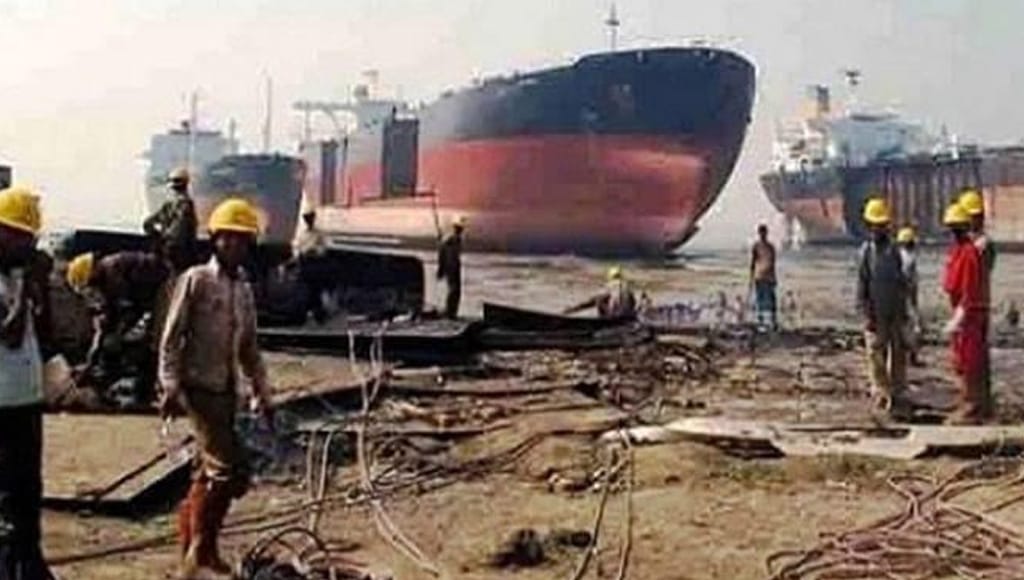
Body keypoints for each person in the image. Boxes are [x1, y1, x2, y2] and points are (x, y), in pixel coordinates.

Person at [159, 198, 273, 578]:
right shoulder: (195, 280)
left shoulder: (243, 290)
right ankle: (201, 551)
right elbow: (171, 338)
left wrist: (262, 392)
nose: (235, 246)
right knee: (228, 470)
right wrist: (170, 386)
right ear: (215, 239)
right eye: (229, 238)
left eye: (242, 239)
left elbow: (250, 349)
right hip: (197, 387)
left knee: (206, 472)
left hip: (226, 389)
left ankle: (194, 548)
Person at [0, 186, 54, 579]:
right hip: (2, 404)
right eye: (22, 237)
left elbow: (42, 334)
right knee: (6, 493)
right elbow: (11, 335)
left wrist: (39, 288)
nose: (28, 246)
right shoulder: (9, 282)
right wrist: (23, 284)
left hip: (25, 400)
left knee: (28, 490)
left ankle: (30, 563)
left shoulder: (17, 278)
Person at [66, 251, 170, 401]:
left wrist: (116, 335)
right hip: (148, 299)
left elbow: (125, 311)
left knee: (149, 343)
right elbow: (109, 317)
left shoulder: (112, 271)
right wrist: (92, 359)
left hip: (163, 289)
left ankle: (148, 390)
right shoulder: (108, 276)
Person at [856, 198, 910, 419]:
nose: (878, 229)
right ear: (869, 226)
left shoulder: (894, 251)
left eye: (882, 225)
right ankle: (881, 391)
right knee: (875, 355)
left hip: (893, 312)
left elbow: (901, 283)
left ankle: (896, 393)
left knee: (897, 355)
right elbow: (862, 284)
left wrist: (903, 312)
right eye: (875, 225)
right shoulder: (866, 252)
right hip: (875, 313)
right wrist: (867, 313)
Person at [941, 201, 990, 424]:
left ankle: (973, 407)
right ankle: (969, 403)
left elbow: (970, 289)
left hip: (970, 315)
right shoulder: (958, 251)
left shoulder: (970, 253)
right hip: (962, 311)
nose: (953, 232)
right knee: (961, 361)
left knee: (970, 362)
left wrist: (960, 316)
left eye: (956, 228)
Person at [959, 189, 995, 404]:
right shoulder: (977, 243)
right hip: (976, 304)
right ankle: (979, 398)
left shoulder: (980, 245)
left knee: (974, 355)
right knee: (974, 354)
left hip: (975, 306)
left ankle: (976, 400)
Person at [144, 167, 199, 273]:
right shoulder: (176, 204)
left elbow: (149, 224)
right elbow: (149, 223)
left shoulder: (177, 204)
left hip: (175, 252)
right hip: (177, 252)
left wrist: (160, 237)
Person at [292, 204, 329, 324]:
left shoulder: (319, 234)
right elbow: (297, 248)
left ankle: (319, 316)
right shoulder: (302, 235)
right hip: (305, 265)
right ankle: (302, 316)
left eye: (310, 217)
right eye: (307, 218)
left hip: (316, 266)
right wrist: (302, 253)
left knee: (315, 291)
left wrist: (315, 251)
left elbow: (324, 249)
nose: (309, 220)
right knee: (304, 292)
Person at [564, 266, 638, 319]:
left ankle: (603, 319)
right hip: (627, 316)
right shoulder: (627, 287)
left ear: (610, 277)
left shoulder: (610, 286)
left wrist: (572, 310)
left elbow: (591, 302)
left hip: (614, 317)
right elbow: (633, 302)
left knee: (598, 299)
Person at [897, 226, 923, 367]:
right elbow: (911, 282)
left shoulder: (897, 256)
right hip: (906, 296)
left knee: (901, 328)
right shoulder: (910, 258)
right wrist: (914, 302)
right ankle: (912, 357)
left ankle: (902, 356)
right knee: (915, 328)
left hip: (897, 297)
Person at [749, 223, 778, 329]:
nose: (763, 234)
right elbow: (753, 262)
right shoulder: (756, 246)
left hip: (768, 276)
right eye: (761, 233)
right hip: (760, 276)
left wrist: (774, 277)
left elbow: (773, 263)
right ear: (759, 233)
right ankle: (761, 320)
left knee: (771, 299)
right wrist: (751, 277)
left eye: (764, 232)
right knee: (760, 298)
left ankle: (773, 321)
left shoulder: (771, 247)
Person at [437, 216, 465, 319]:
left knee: (454, 290)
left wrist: (441, 241)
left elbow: (443, 251)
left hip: (453, 266)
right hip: (452, 267)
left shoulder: (454, 240)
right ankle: (451, 312)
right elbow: (443, 252)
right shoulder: (452, 240)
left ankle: (452, 311)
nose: (460, 231)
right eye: (459, 229)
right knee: (454, 290)